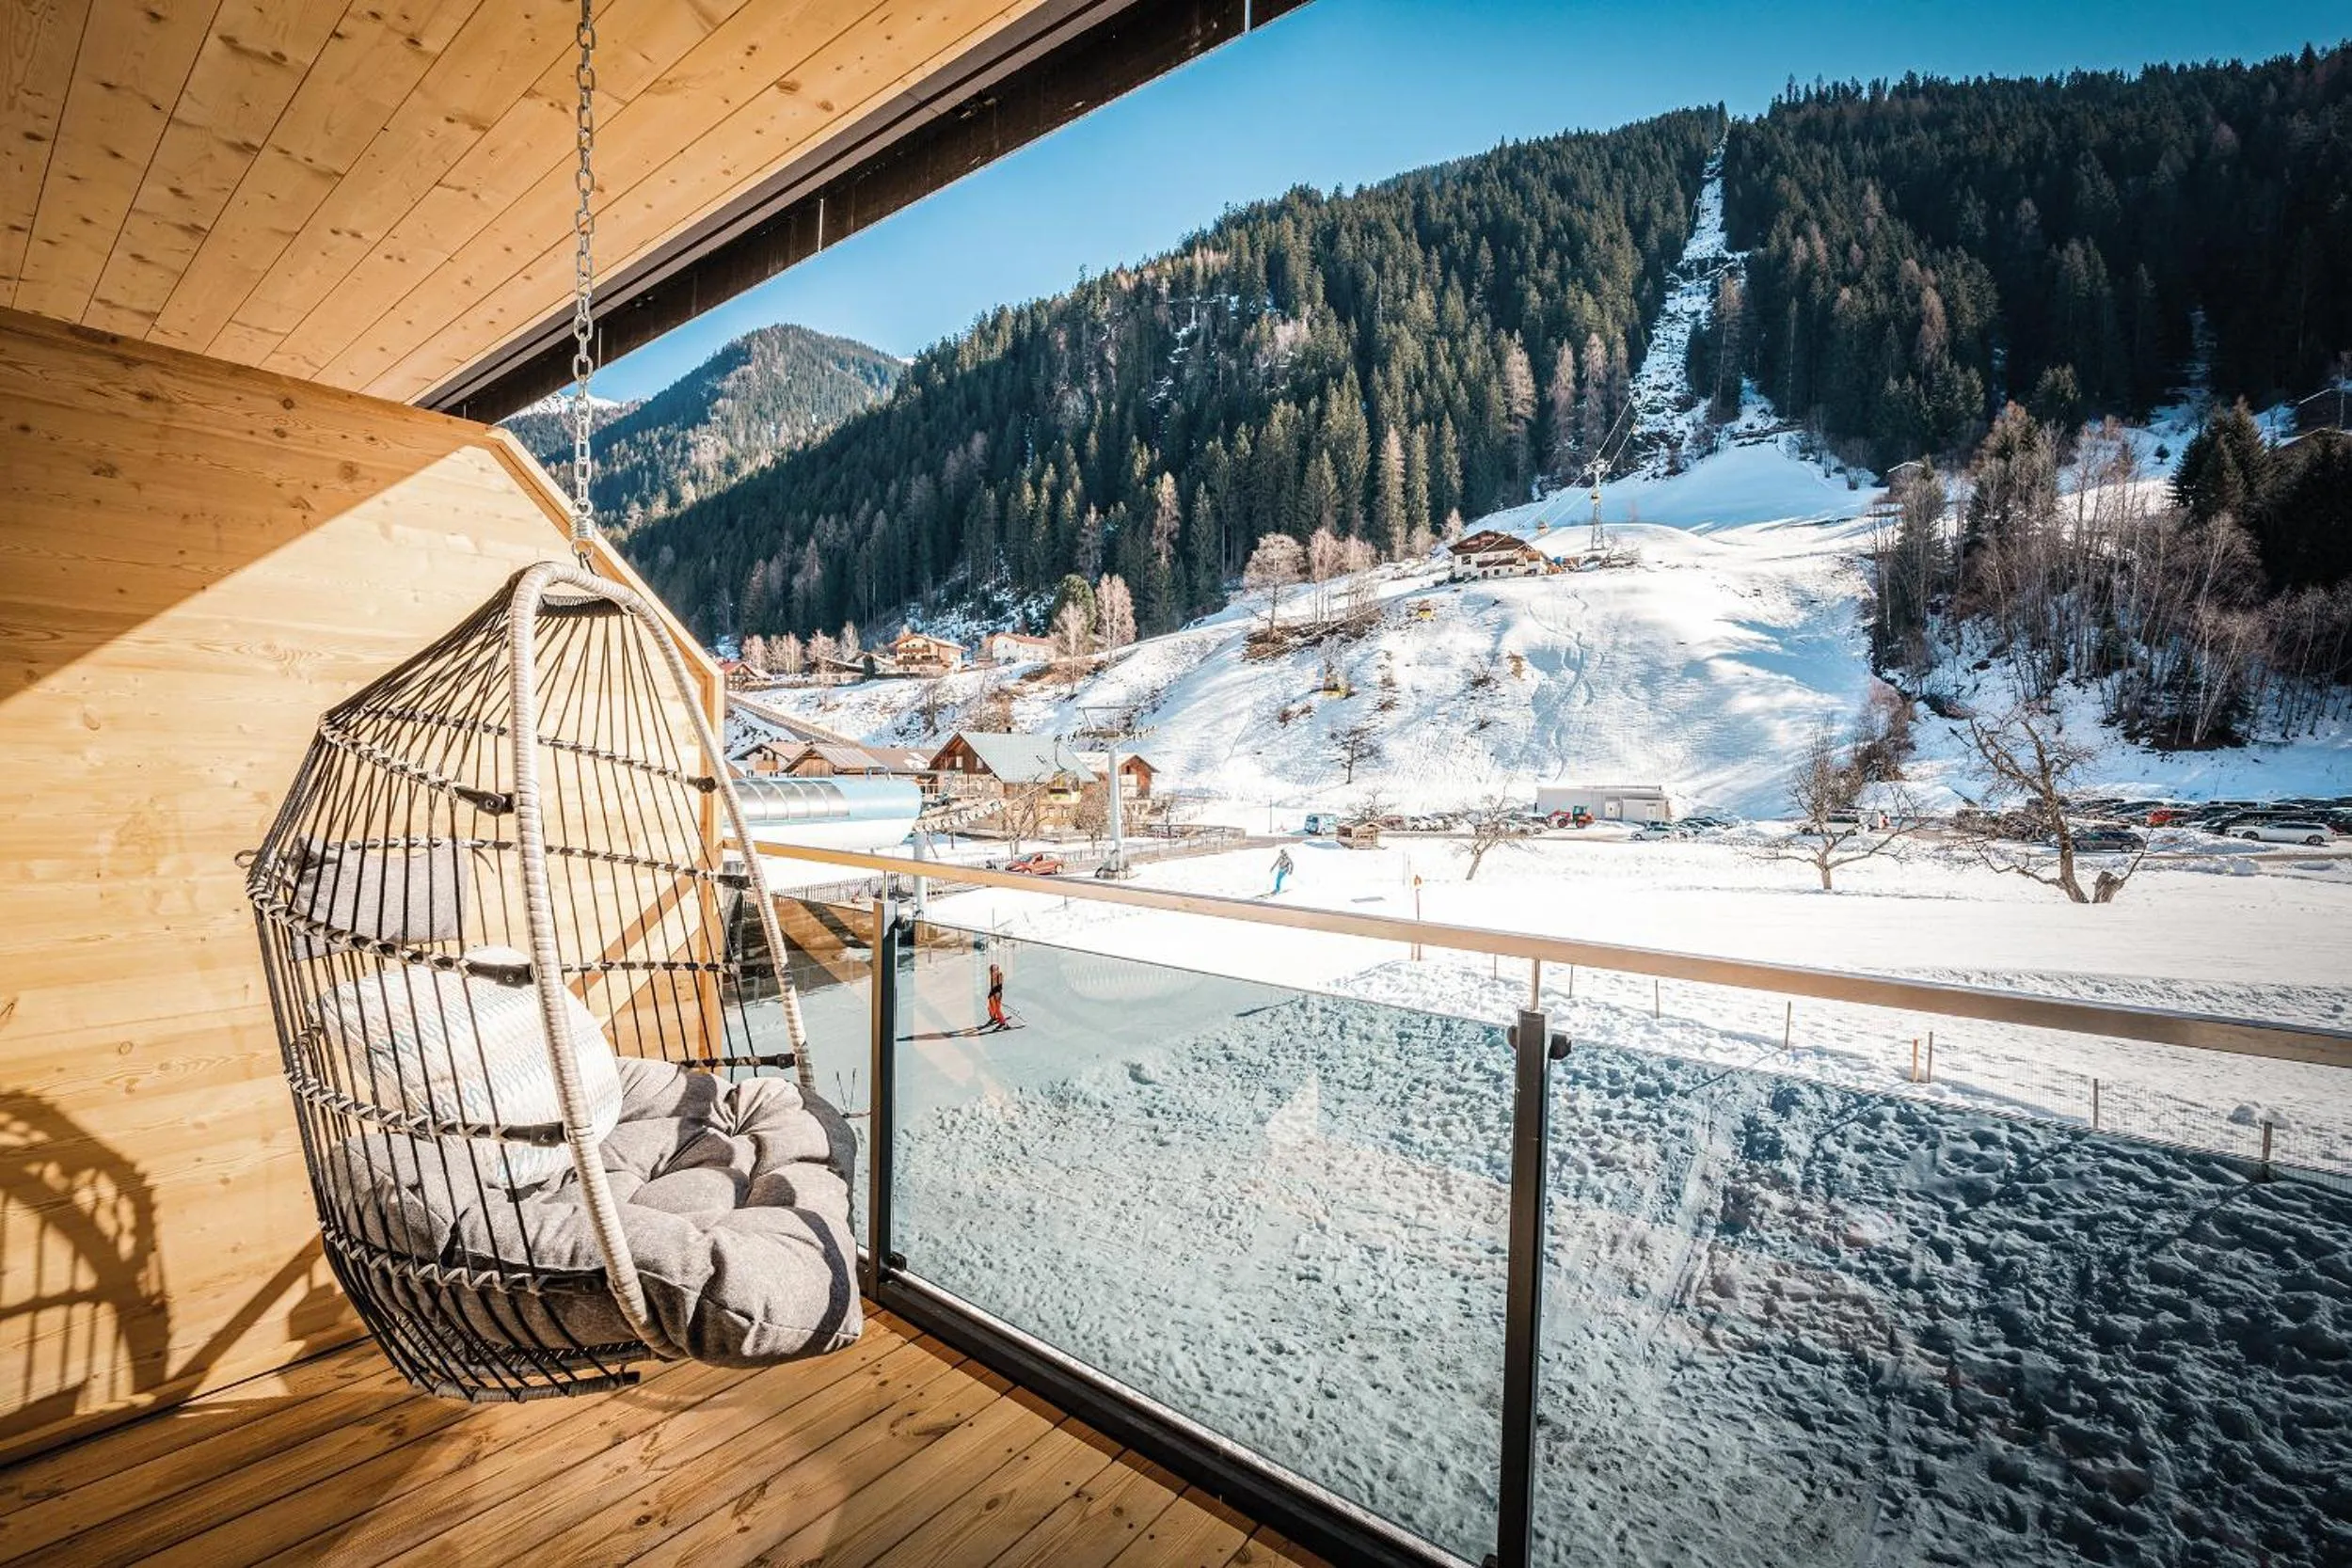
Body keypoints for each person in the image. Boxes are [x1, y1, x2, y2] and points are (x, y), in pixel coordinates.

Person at [984, 960, 1009, 1031]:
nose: (992, 973)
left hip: (997, 994)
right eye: (991, 971)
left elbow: (999, 987)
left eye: (994, 970)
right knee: (990, 1008)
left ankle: (1004, 1023)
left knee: (997, 1010)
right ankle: (994, 1017)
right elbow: (992, 987)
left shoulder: (1000, 975)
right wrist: (990, 995)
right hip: (992, 994)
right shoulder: (992, 975)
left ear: (997, 970)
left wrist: (996, 994)